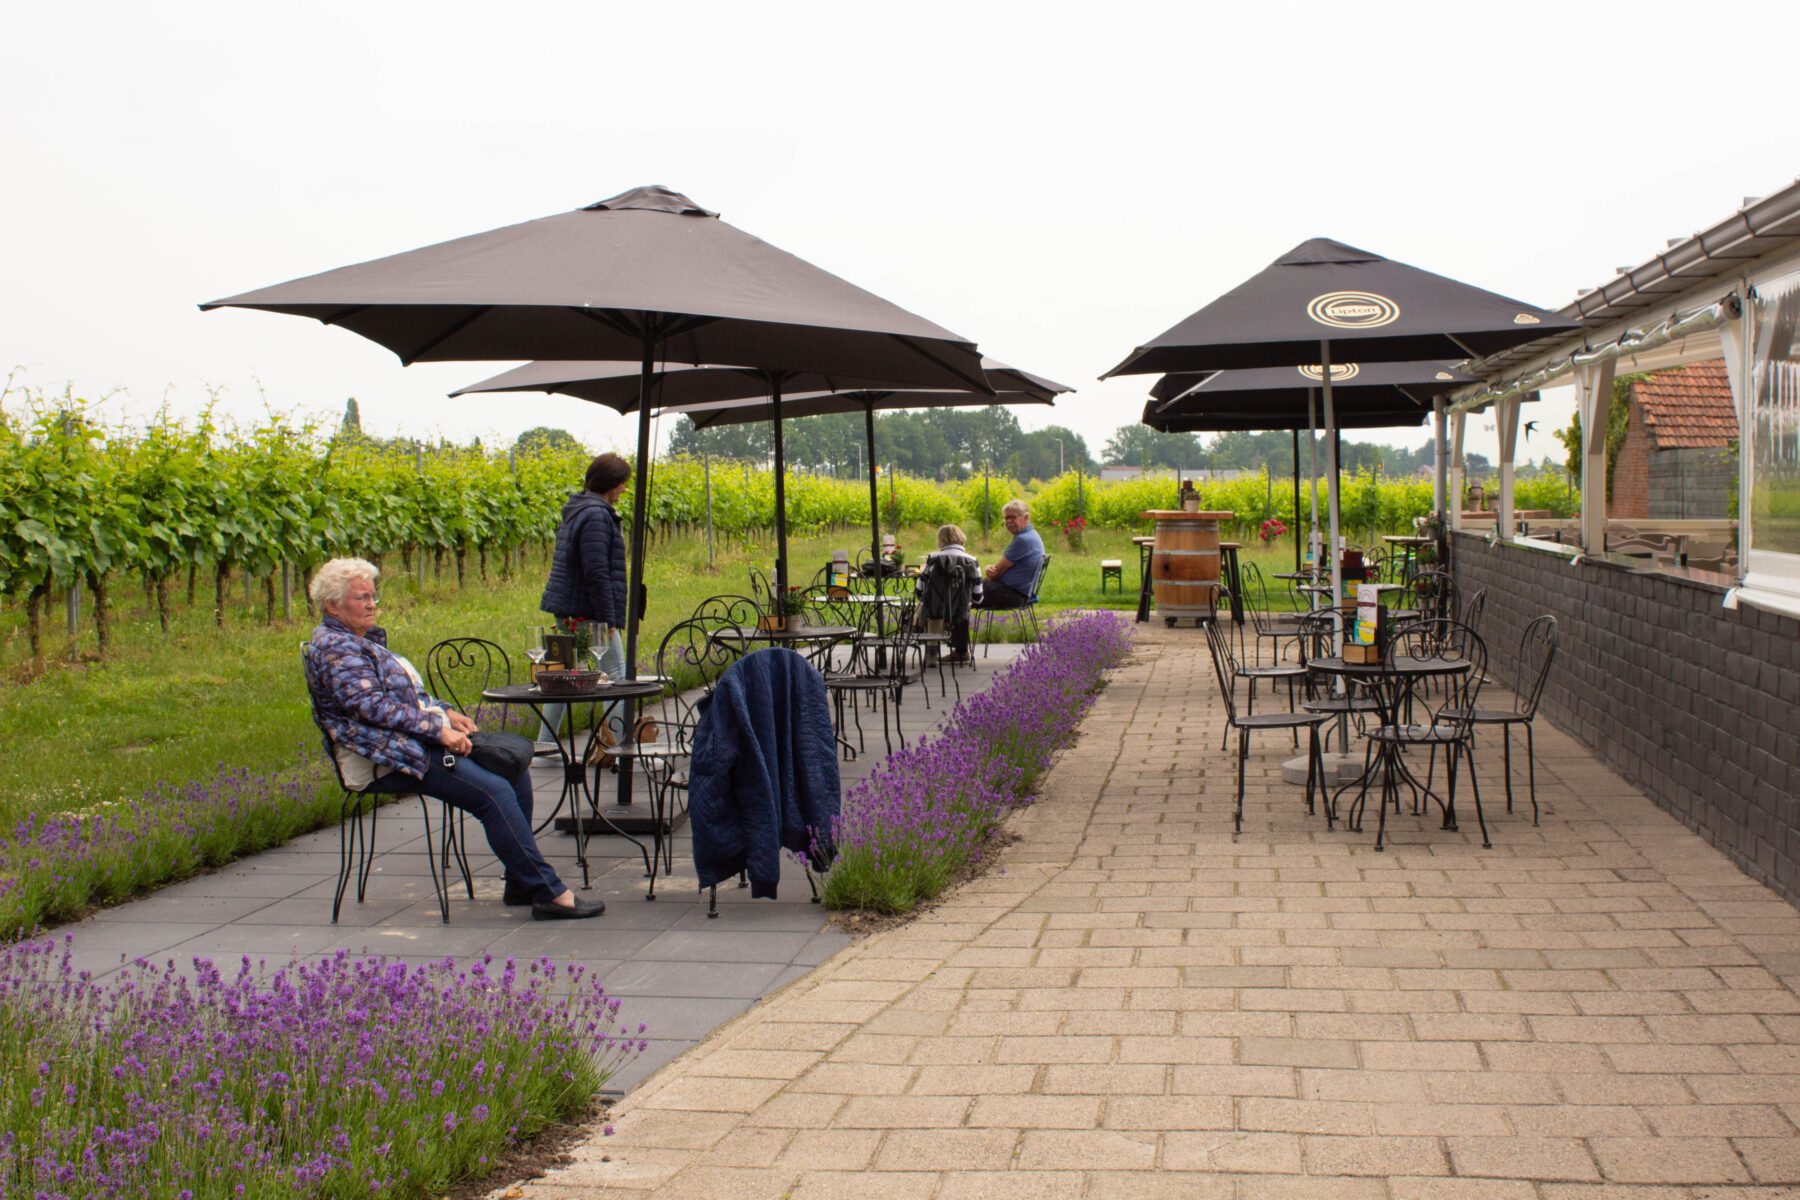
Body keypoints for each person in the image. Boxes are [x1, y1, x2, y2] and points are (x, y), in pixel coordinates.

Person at [305, 558, 604, 921]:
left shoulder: (356, 640)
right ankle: (549, 892)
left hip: (407, 745)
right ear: (332, 605)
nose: (371, 604)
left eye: (373, 596)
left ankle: (521, 882)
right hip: (383, 758)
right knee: (494, 793)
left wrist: (445, 713)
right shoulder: (336, 647)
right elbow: (370, 708)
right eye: (360, 598)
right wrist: (439, 731)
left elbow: (405, 697)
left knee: (511, 765)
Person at [540, 452, 631, 743]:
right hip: (589, 613)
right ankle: (619, 747)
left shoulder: (578, 509)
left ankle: (544, 746)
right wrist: (609, 620)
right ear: (612, 483)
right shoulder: (595, 516)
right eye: (622, 483)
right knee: (617, 675)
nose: (625, 489)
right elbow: (596, 572)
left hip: (568, 608)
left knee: (562, 679)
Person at [917, 523, 982, 661]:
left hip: (935, 610)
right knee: (962, 609)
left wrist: (928, 599)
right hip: (960, 611)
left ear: (941, 540)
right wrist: (967, 601)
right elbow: (978, 595)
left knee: (932, 608)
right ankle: (962, 651)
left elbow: (919, 589)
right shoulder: (973, 560)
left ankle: (932, 653)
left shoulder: (933, 558)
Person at [976, 499, 1044, 610]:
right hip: (1017, 593)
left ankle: (951, 626)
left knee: (964, 590)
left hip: (1010, 595)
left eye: (1012, 517)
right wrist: (991, 570)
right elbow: (999, 569)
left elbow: (994, 574)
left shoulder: (1023, 540)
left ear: (1026, 517)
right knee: (968, 587)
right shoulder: (1031, 534)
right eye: (1006, 518)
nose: (1008, 521)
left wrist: (989, 568)